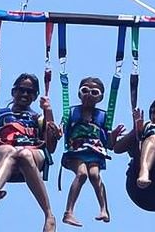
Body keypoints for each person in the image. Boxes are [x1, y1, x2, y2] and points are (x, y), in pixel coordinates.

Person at [0, 73, 61, 232]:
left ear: (35, 96)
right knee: (10, 151)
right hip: (5, 149)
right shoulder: (0, 114)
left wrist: (49, 114)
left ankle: (49, 215)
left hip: (32, 152)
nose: (25, 94)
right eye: (21, 90)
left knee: (24, 154)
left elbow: (51, 149)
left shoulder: (38, 118)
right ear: (14, 92)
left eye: (30, 92)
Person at [59, 77, 125, 226]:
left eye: (94, 92)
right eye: (85, 91)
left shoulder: (103, 117)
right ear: (79, 93)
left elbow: (109, 144)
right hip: (75, 149)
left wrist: (113, 135)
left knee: (94, 175)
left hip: (95, 150)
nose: (89, 95)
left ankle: (104, 209)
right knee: (82, 174)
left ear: (100, 97)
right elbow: (61, 129)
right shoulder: (71, 112)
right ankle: (68, 212)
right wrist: (56, 132)